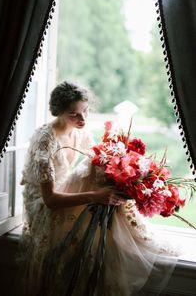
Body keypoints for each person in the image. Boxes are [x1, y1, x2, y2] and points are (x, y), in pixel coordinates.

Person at [18, 80, 179, 296]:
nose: (82, 119)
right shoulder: (45, 140)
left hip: (65, 190)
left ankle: (130, 231)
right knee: (96, 169)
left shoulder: (80, 131)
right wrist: (96, 196)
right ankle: (127, 231)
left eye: (85, 111)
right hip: (46, 203)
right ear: (59, 112)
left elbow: (100, 160)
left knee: (106, 166)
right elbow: (50, 199)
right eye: (74, 114)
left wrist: (127, 170)